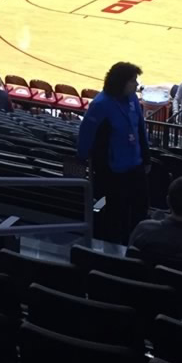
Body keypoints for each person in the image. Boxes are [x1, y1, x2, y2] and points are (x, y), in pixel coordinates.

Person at [76, 61, 150, 243]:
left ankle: (137, 243)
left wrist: (146, 157)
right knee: (118, 214)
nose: (136, 85)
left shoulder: (132, 98)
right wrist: (81, 159)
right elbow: (86, 134)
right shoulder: (100, 105)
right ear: (121, 82)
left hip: (136, 165)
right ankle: (116, 247)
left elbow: (140, 128)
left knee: (140, 209)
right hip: (114, 172)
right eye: (133, 81)